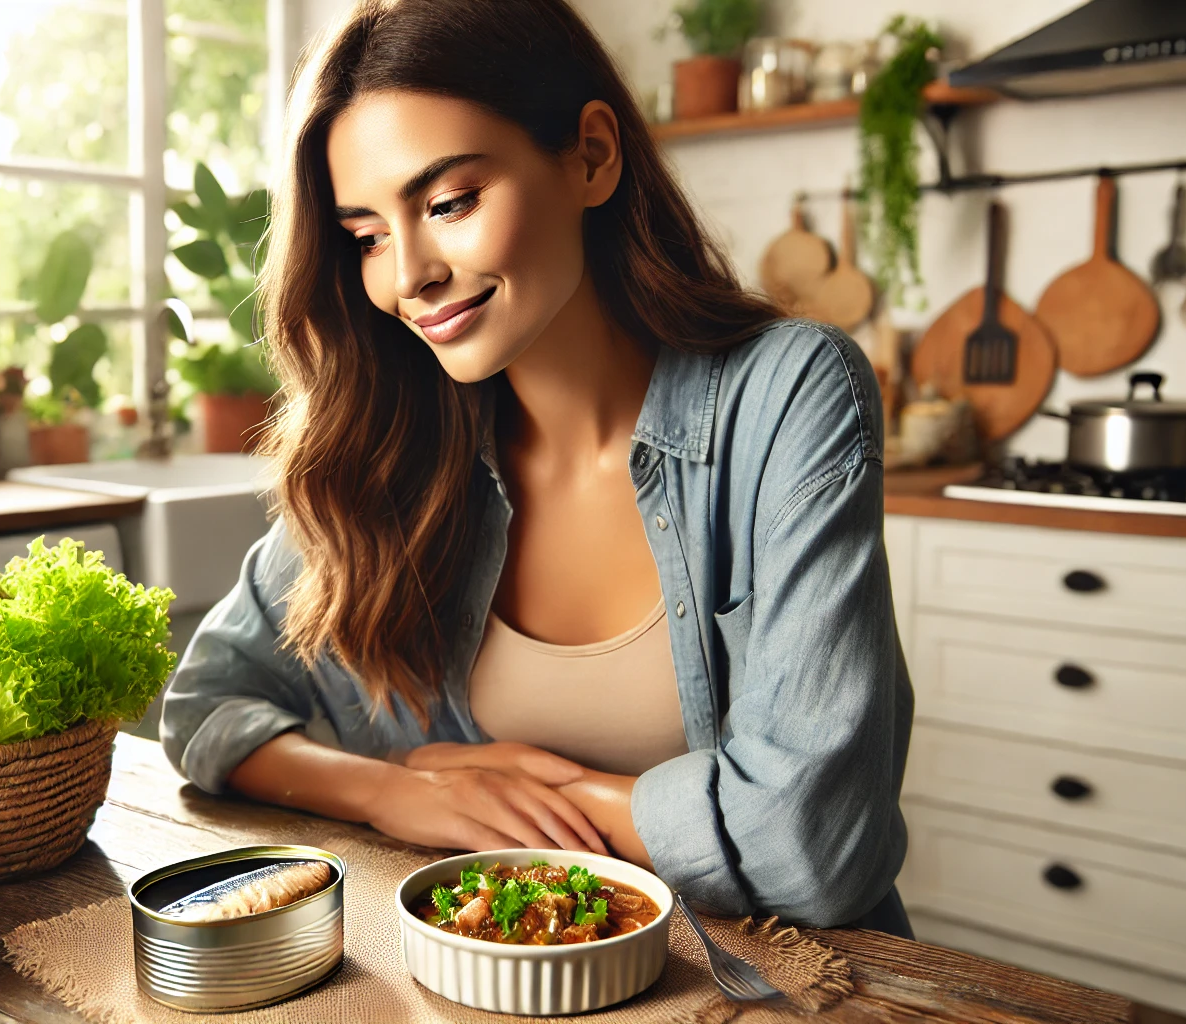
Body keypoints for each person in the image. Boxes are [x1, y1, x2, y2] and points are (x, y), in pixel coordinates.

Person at [160, 0, 913, 936]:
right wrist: (392, 792)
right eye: (366, 236)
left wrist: (575, 798)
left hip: (774, 986)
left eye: (448, 203)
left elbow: (818, 844)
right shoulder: (392, 444)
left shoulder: (788, 392)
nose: (408, 277)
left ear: (590, 156)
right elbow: (204, 708)